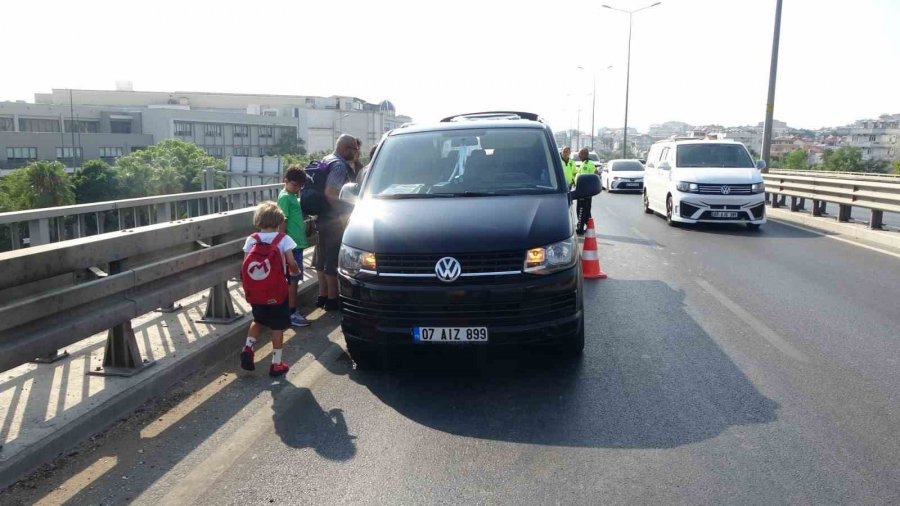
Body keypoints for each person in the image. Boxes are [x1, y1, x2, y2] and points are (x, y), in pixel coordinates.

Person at [240, 201, 301, 377]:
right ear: (279, 221)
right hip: (276, 292)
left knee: (258, 320)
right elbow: (291, 262)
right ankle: (276, 363)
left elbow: (245, 263)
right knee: (277, 326)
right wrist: (295, 271)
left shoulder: (251, 239)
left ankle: (248, 347)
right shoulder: (284, 239)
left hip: (257, 291)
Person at [313, 134, 360, 311]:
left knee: (322, 257)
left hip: (321, 217)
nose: (356, 153)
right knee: (332, 259)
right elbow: (331, 193)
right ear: (346, 148)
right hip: (333, 219)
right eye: (355, 149)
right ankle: (333, 300)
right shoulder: (339, 165)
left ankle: (322, 296)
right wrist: (346, 208)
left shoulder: (326, 160)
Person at [277, 165, 311, 327]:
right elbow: (282, 222)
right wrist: (283, 246)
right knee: (292, 280)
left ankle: (291, 310)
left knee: (294, 279)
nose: (297, 188)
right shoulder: (285, 197)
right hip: (291, 247)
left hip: (296, 245)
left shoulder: (292, 197)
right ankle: (291, 312)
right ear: (285, 181)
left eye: (300, 186)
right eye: (294, 185)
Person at [575, 148, 596, 235]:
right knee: (586, 210)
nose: (579, 155)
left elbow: (583, 179)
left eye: (580, 154)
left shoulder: (586, 164)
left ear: (584, 154)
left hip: (583, 191)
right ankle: (590, 227)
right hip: (587, 191)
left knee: (580, 210)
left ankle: (580, 228)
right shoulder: (587, 163)